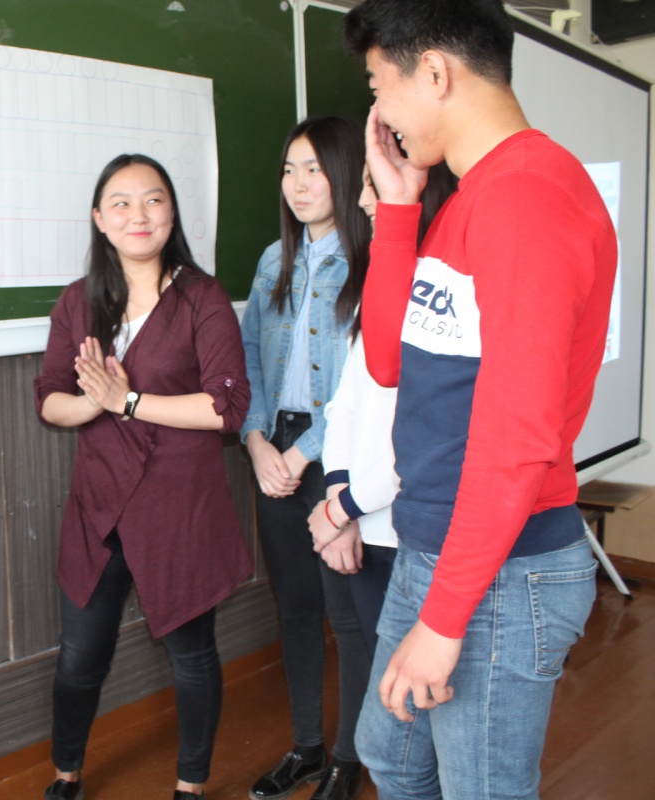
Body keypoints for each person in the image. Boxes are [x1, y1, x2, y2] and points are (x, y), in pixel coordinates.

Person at [343, 2, 617, 797]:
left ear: (433, 72)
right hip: (437, 543)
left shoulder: (528, 197)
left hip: (504, 567)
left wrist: (444, 617)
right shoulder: (472, 196)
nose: (380, 113)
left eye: (379, 87)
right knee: (391, 756)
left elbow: (519, 435)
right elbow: (389, 360)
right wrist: (400, 209)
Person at [33, 153, 252, 800]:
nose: (139, 214)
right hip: (98, 508)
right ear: (100, 219)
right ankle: (66, 773)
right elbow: (49, 399)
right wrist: (94, 403)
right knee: (80, 656)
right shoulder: (78, 302)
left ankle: (190, 785)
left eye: (153, 199)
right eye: (121, 203)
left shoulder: (202, 297)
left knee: (191, 654)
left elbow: (226, 407)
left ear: (172, 214)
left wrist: (125, 401)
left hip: (180, 506)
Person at [304, 162, 458, 799]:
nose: (363, 199)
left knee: (430, 708)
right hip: (364, 523)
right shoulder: (383, 284)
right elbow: (344, 406)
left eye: (373, 184)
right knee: (390, 702)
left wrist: (341, 509)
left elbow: (419, 444)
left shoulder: (447, 289)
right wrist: (339, 502)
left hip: (414, 531)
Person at [240, 116, 372, 800]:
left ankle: (350, 759)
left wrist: (302, 454)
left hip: (340, 454)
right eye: (289, 170)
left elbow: (368, 384)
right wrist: (257, 440)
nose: (298, 184)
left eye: (314, 169)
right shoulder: (274, 259)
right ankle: (308, 749)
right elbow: (247, 360)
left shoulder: (372, 261)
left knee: (345, 616)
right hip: (276, 450)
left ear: (345, 174)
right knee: (294, 610)